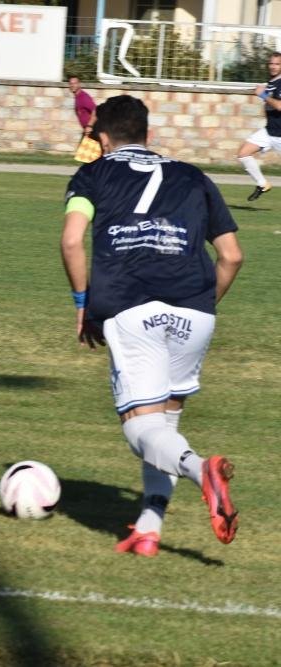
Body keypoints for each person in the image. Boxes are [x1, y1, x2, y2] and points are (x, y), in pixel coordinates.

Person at [60, 95, 243, 556]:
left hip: (131, 304)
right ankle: (149, 528)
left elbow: (71, 240)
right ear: (150, 135)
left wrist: (85, 304)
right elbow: (232, 256)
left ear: (101, 137)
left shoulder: (92, 172)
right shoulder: (195, 176)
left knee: (140, 428)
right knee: (165, 422)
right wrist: (202, 304)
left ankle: (202, 470)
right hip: (196, 311)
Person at [236, 51, 281, 201]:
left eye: (277, 64)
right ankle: (262, 184)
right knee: (243, 153)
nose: (273, 67)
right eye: (271, 63)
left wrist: (263, 95)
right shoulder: (271, 82)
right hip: (269, 132)